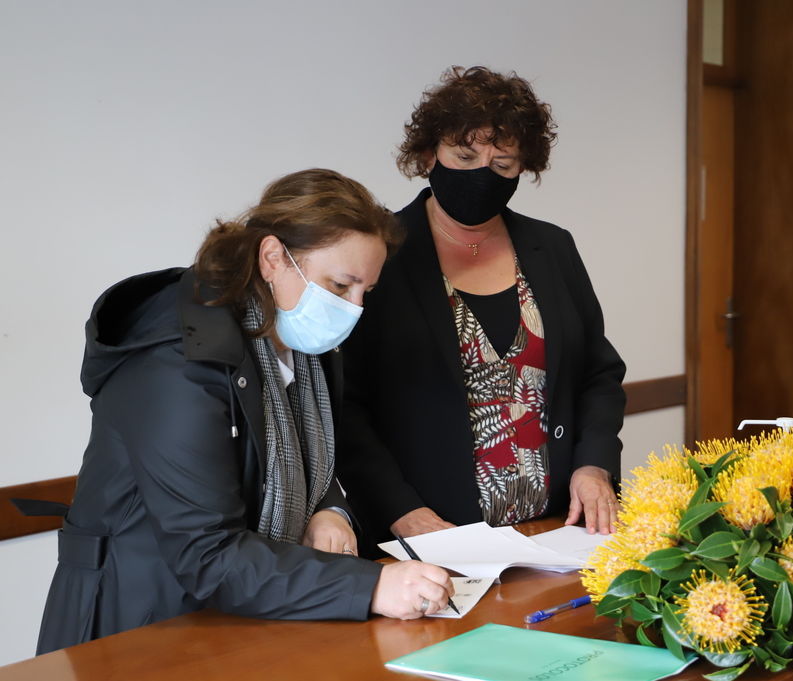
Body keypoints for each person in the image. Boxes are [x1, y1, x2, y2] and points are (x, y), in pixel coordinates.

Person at [36, 169, 454, 655]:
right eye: (340, 286)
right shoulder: (177, 361)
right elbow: (207, 554)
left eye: (367, 291)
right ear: (273, 257)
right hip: (138, 623)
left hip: (233, 617)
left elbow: (307, 456)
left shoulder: (302, 345)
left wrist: (329, 509)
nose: (354, 309)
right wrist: (370, 587)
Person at [338, 66, 626, 549]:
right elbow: (345, 402)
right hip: (434, 539)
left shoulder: (552, 247)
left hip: (557, 532)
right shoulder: (382, 252)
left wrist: (594, 464)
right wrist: (401, 511)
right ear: (430, 152)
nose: (481, 174)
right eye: (465, 155)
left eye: (503, 164)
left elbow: (597, 373)